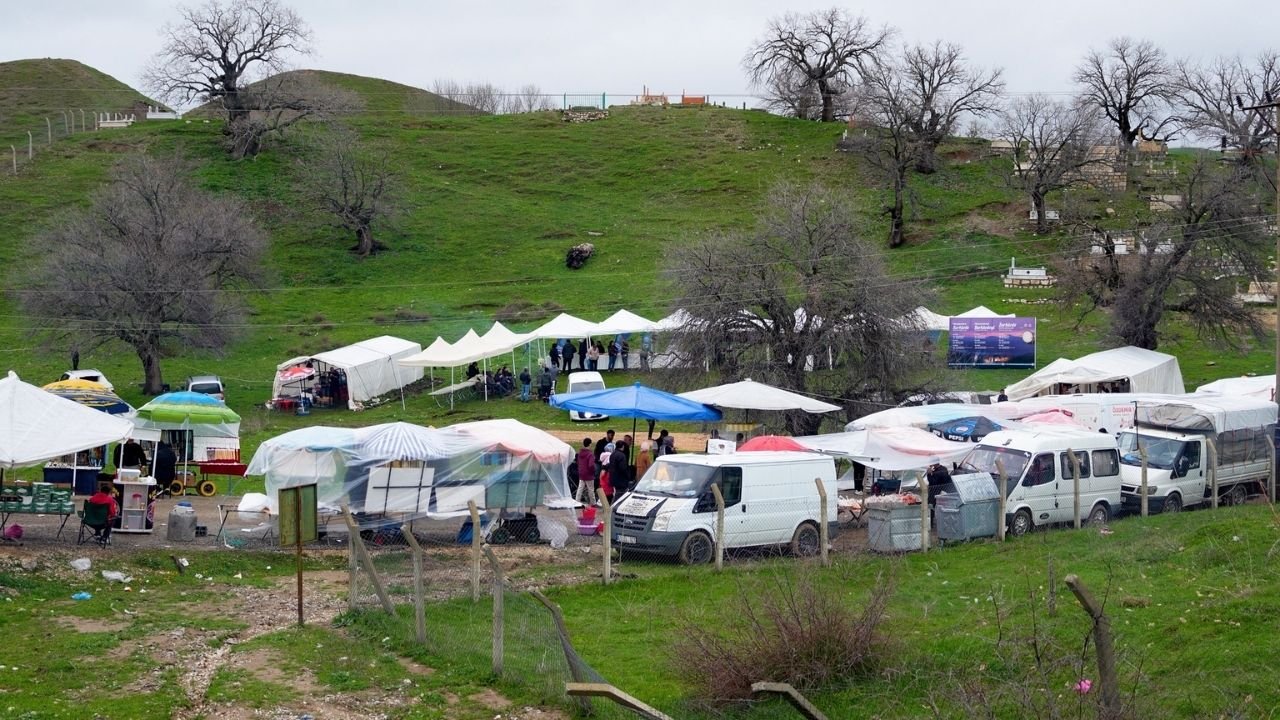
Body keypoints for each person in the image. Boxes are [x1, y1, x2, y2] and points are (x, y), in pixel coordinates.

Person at [575, 438, 597, 505]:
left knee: (580, 488)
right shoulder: (590, 454)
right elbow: (591, 465)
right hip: (589, 474)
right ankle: (593, 503)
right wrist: (593, 471)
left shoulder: (580, 453)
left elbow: (578, 462)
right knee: (591, 489)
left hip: (581, 473)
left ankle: (577, 501)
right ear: (589, 444)